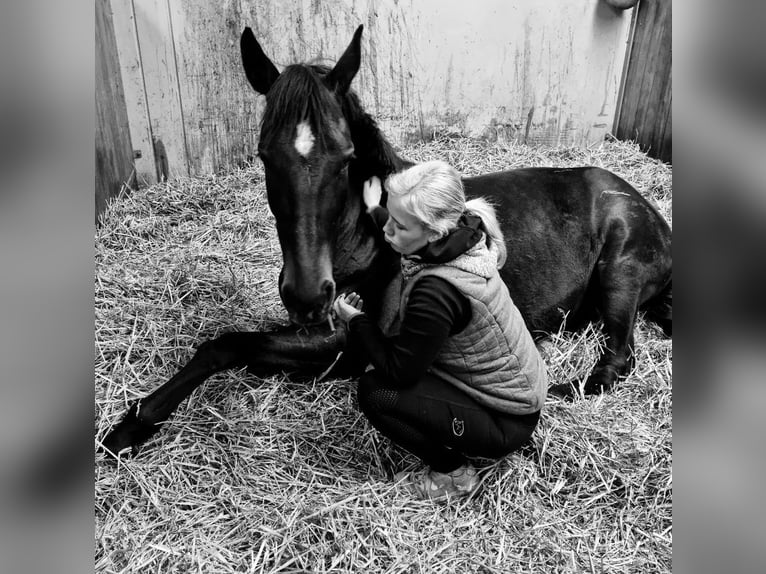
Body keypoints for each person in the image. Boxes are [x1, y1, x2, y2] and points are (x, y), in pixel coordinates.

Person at [333, 160, 547, 501]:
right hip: (514, 390)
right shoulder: (462, 233)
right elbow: (400, 230)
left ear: (432, 232)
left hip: (505, 418)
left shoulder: (436, 291)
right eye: (389, 218)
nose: (388, 231)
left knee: (376, 390)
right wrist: (376, 208)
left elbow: (398, 373)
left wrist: (356, 321)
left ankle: (453, 474)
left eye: (398, 226)